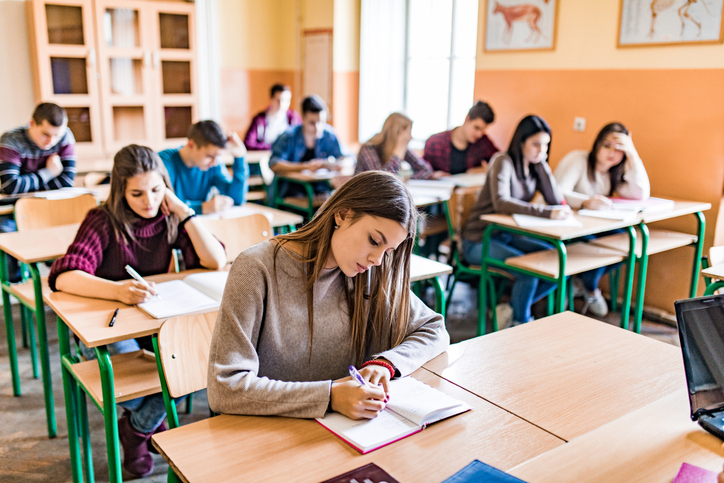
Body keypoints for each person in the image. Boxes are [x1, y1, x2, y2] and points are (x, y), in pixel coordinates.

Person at [207, 171, 449, 420]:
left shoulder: (370, 273)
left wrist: (386, 363)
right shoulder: (256, 268)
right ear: (343, 214)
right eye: (374, 240)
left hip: (341, 432)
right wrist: (330, 396)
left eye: (388, 251)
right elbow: (224, 388)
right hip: (268, 432)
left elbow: (434, 329)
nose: (377, 260)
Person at [49, 145, 226, 477]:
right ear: (120, 191)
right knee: (144, 377)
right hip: (108, 326)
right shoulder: (102, 220)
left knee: (201, 362)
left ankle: (135, 430)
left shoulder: (168, 216)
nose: (149, 201)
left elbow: (214, 260)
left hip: (156, 325)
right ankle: (147, 424)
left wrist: (184, 212)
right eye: (137, 193)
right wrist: (117, 290)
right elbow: (64, 275)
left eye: (157, 190)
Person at [461, 115, 571, 327]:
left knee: (558, 262)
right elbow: (502, 202)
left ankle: (513, 308)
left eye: (546, 145)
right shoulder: (503, 161)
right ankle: (520, 322)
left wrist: (544, 167)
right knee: (528, 272)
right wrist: (546, 213)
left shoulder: (536, 166)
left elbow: (556, 200)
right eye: (536, 144)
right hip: (478, 240)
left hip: (506, 235)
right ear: (521, 143)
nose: (542, 150)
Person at [554, 122, 650, 317]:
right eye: (607, 145)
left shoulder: (614, 173)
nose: (611, 153)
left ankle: (583, 283)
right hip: (565, 228)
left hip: (591, 228)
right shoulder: (578, 159)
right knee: (596, 246)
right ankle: (589, 288)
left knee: (627, 242)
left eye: (619, 149)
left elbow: (641, 194)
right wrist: (586, 201)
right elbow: (558, 192)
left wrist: (632, 154)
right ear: (597, 144)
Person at [0, 102, 77, 281]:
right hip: (12, 211)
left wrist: (28, 184)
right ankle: (17, 280)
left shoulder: (65, 137)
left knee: (72, 244)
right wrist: (48, 173)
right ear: (32, 124)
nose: (51, 142)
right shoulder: (11, 141)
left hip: (51, 209)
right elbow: (11, 187)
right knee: (7, 240)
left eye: (56, 136)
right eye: (45, 134)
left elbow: (66, 182)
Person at [269, 94, 351, 200]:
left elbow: (348, 158)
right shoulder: (288, 136)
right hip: (289, 193)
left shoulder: (329, 134)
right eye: (312, 123)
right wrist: (305, 166)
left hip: (321, 191)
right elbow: (274, 164)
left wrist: (338, 164)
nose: (318, 127)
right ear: (303, 118)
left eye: (321, 122)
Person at [159, 120, 249, 215]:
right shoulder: (164, 161)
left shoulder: (213, 164)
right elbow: (162, 204)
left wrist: (240, 158)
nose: (215, 162)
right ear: (191, 145)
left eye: (217, 156)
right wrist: (202, 207)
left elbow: (236, 200)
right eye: (210, 156)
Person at [355, 112, 446, 180]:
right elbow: (381, 181)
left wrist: (408, 179)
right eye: (409, 132)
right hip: (366, 199)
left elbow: (426, 170)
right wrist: (397, 153)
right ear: (400, 132)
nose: (410, 137)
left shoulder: (403, 148)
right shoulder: (368, 148)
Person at [423, 101, 499, 175]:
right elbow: (422, 171)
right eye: (476, 128)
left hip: (471, 187)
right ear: (467, 119)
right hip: (441, 186)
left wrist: (485, 169)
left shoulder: (483, 142)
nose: (479, 134)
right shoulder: (434, 142)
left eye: (483, 131)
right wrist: (433, 175)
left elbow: (501, 160)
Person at [244, 83, 302, 151]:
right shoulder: (259, 120)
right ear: (271, 99)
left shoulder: (294, 118)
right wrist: (273, 146)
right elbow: (248, 143)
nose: (282, 104)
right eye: (278, 100)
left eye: (286, 100)